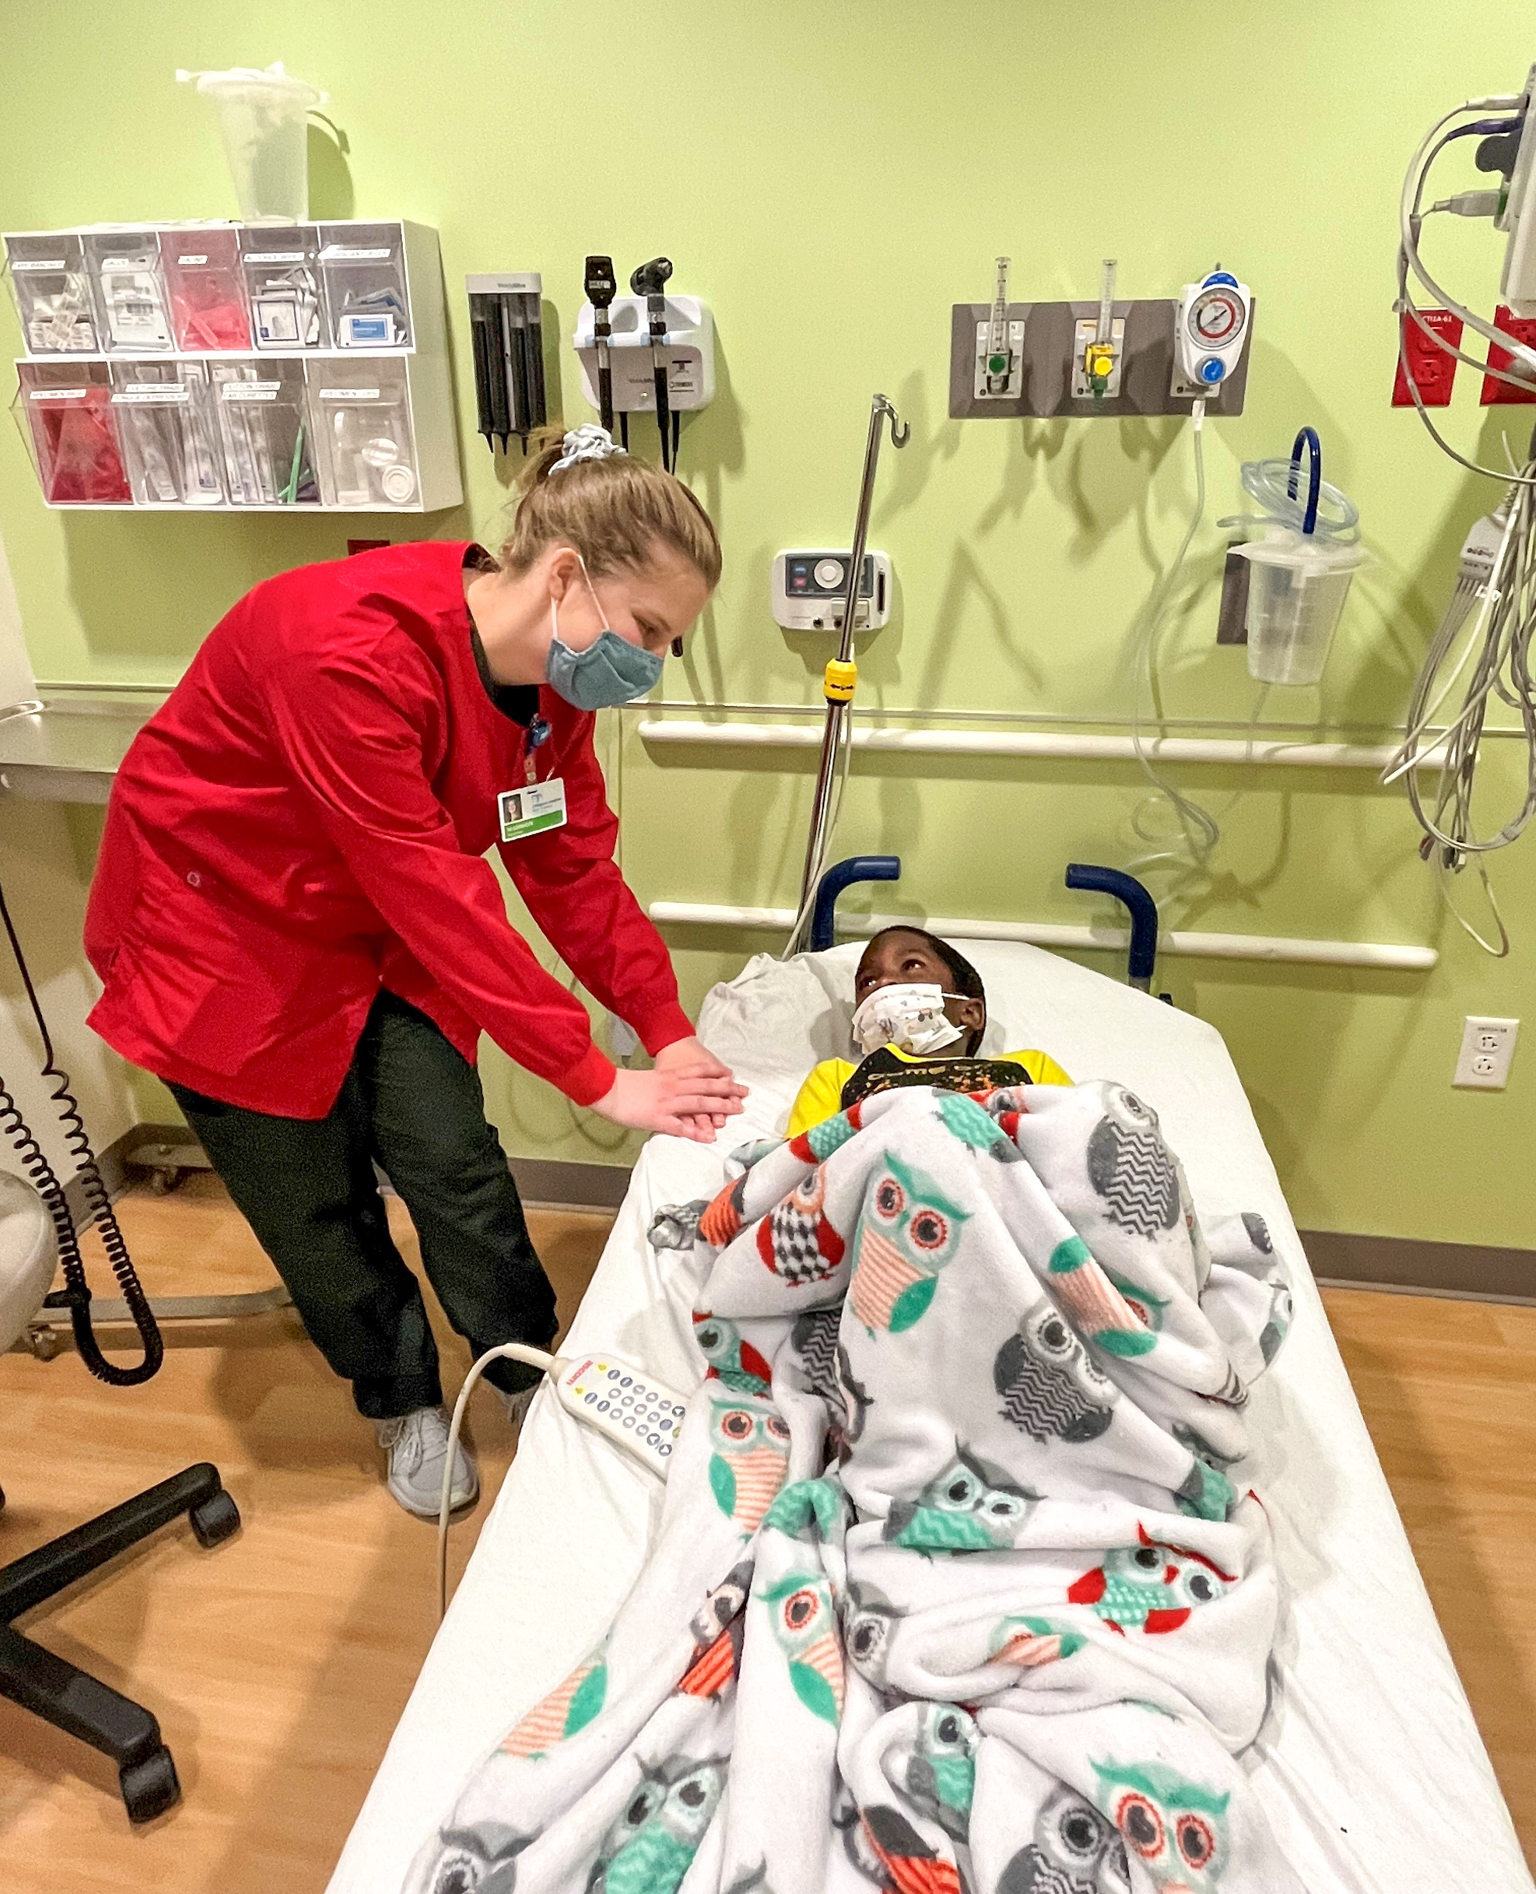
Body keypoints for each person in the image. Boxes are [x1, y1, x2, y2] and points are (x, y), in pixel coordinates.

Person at [85, 426, 746, 1517]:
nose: (653, 661)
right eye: (652, 629)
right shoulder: (339, 645)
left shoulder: (552, 690)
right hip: (224, 940)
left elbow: (567, 861)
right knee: (316, 1206)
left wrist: (661, 1023)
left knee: (459, 1165)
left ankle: (521, 1366)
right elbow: (433, 889)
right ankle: (400, 1394)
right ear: (568, 575)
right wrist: (595, 1077)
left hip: (379, 936)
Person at [785, 926, 1071, 1136]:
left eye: (910, 965)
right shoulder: (837, 1077)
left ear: (970, 1012)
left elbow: (1085, 1136)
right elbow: (797, 1166)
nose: (885, 982)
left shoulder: (1029, 1067)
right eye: (867, 982)